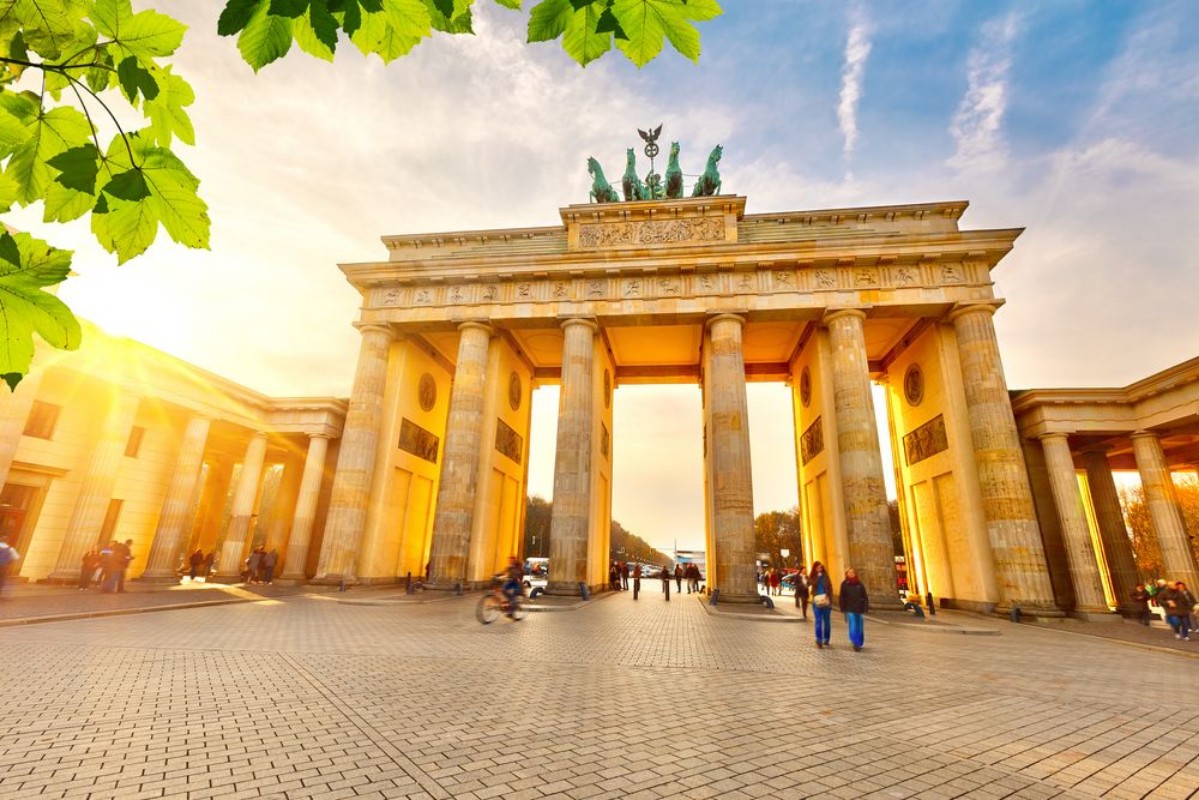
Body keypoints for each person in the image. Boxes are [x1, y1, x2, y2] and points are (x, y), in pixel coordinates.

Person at [839, 567, 869, 651]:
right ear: (847, 574)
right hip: (850, 608)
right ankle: (855, 643)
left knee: (859, 626)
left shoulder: (860, 584)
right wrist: (842, 607)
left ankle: (859, 641)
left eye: (852, 572)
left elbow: (864, 596)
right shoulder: (844, 584)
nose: (851, 573)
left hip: (859, 608)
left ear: (855, 574)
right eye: (849, 572)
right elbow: (842, 597)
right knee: (853, 624)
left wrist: (865, 607)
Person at [810, 561, 832, 648]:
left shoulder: (826, 577)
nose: (820, 569)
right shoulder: (813, 577)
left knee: (827, 621)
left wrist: (830, 600)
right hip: (816, 601)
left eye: (821, 567)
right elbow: (809, 583)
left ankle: (826, 638)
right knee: (818, 620)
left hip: (826, 601)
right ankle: (819, 639)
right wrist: (817, 577)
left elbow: (830, 588)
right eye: (818, 567)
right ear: (815, 568)